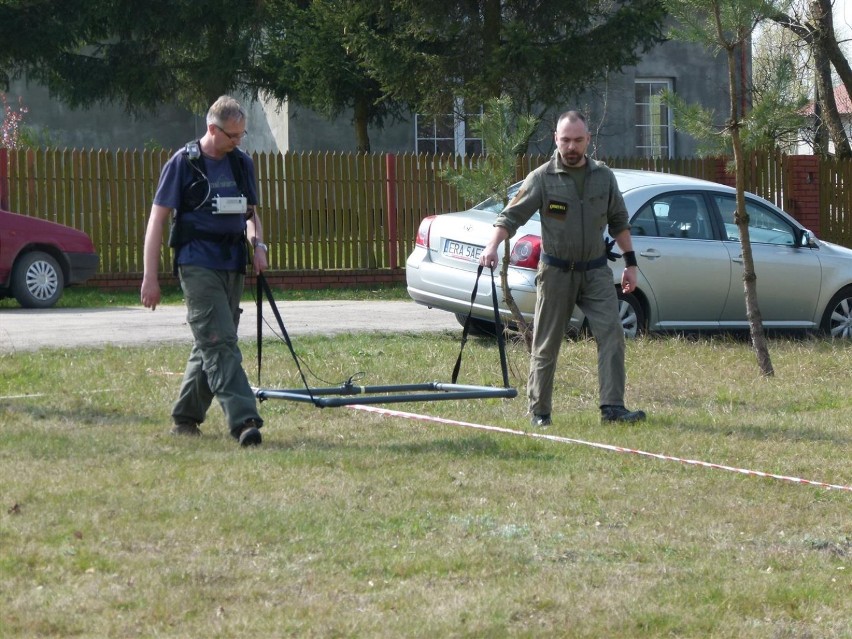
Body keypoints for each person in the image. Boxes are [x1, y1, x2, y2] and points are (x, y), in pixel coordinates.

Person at [479, 110, 645, 427]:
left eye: (578, 140)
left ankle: (613, 408)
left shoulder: (604, 177)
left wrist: (631, 264)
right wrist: (491, 247)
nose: (571, 146)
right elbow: (509, 218)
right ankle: (539, 412)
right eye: (565, 140)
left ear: (588, 141)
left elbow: (620, 222)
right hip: (556, 273)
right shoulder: (542, 178)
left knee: (612, 336)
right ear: (555, 139)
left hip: (596, 272)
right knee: (547, 342)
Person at [140, 95, 269, 446]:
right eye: (232, 135)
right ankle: (244, 421)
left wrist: (258, 245)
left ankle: (185, 419)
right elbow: (157, 221)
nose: (238, 141)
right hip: (197, 263)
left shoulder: (241, 164)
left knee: (210, 342)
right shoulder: (182, 164)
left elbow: (250, 214)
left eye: (242, 135)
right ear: (213, 129)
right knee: (219, 341)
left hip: (232, 264)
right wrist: (150, 277)